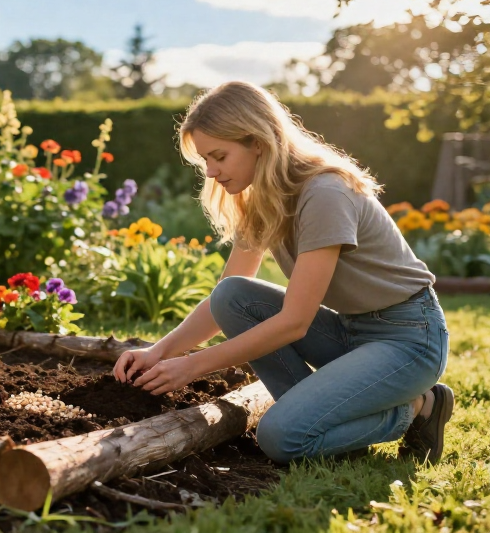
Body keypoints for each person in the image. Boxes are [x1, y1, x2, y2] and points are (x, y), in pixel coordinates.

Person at [113, 81, 452, 464]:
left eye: (219, 156)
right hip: (352, 332)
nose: (210, 172)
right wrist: (158, 353)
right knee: (232, 296)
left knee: (280, 439)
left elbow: (295, 323)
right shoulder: (261, 197)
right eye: (205, 160)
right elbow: (223, 297)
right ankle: (323, 418)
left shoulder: (325, 193)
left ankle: (417, 407)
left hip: (408, 340)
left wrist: (193, 365)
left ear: (257, 141)